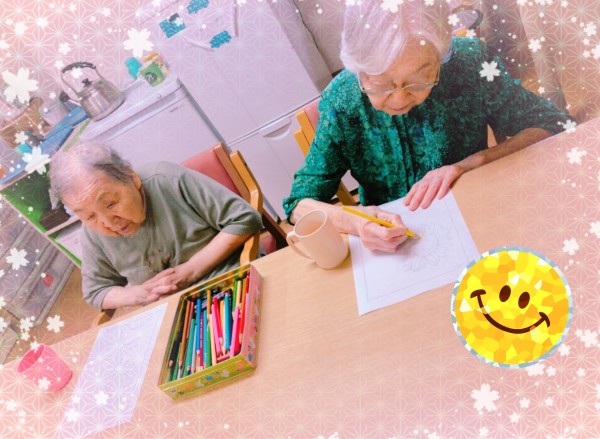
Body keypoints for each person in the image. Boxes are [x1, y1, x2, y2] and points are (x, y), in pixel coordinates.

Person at [283, 0, 572, 253]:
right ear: (358, 69)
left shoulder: (471, 64)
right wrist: (356, 222)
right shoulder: (342, 100)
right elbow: (298, 204)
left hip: (478, 216)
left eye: (419, 81)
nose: (399, 100)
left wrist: (469, 164)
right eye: (381, 84)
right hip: (391, 244)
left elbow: (553, 123)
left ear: (440, 56)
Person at [49, 142, 263, 310]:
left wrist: (190, 271)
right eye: (89, 216)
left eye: (111, 204)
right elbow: (96, 291)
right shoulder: (92, 233)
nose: (108, 223)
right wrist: (138, 294)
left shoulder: (166, 180)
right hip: (175, 314)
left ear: (132, 177)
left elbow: (244, 219)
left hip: (234, 281)